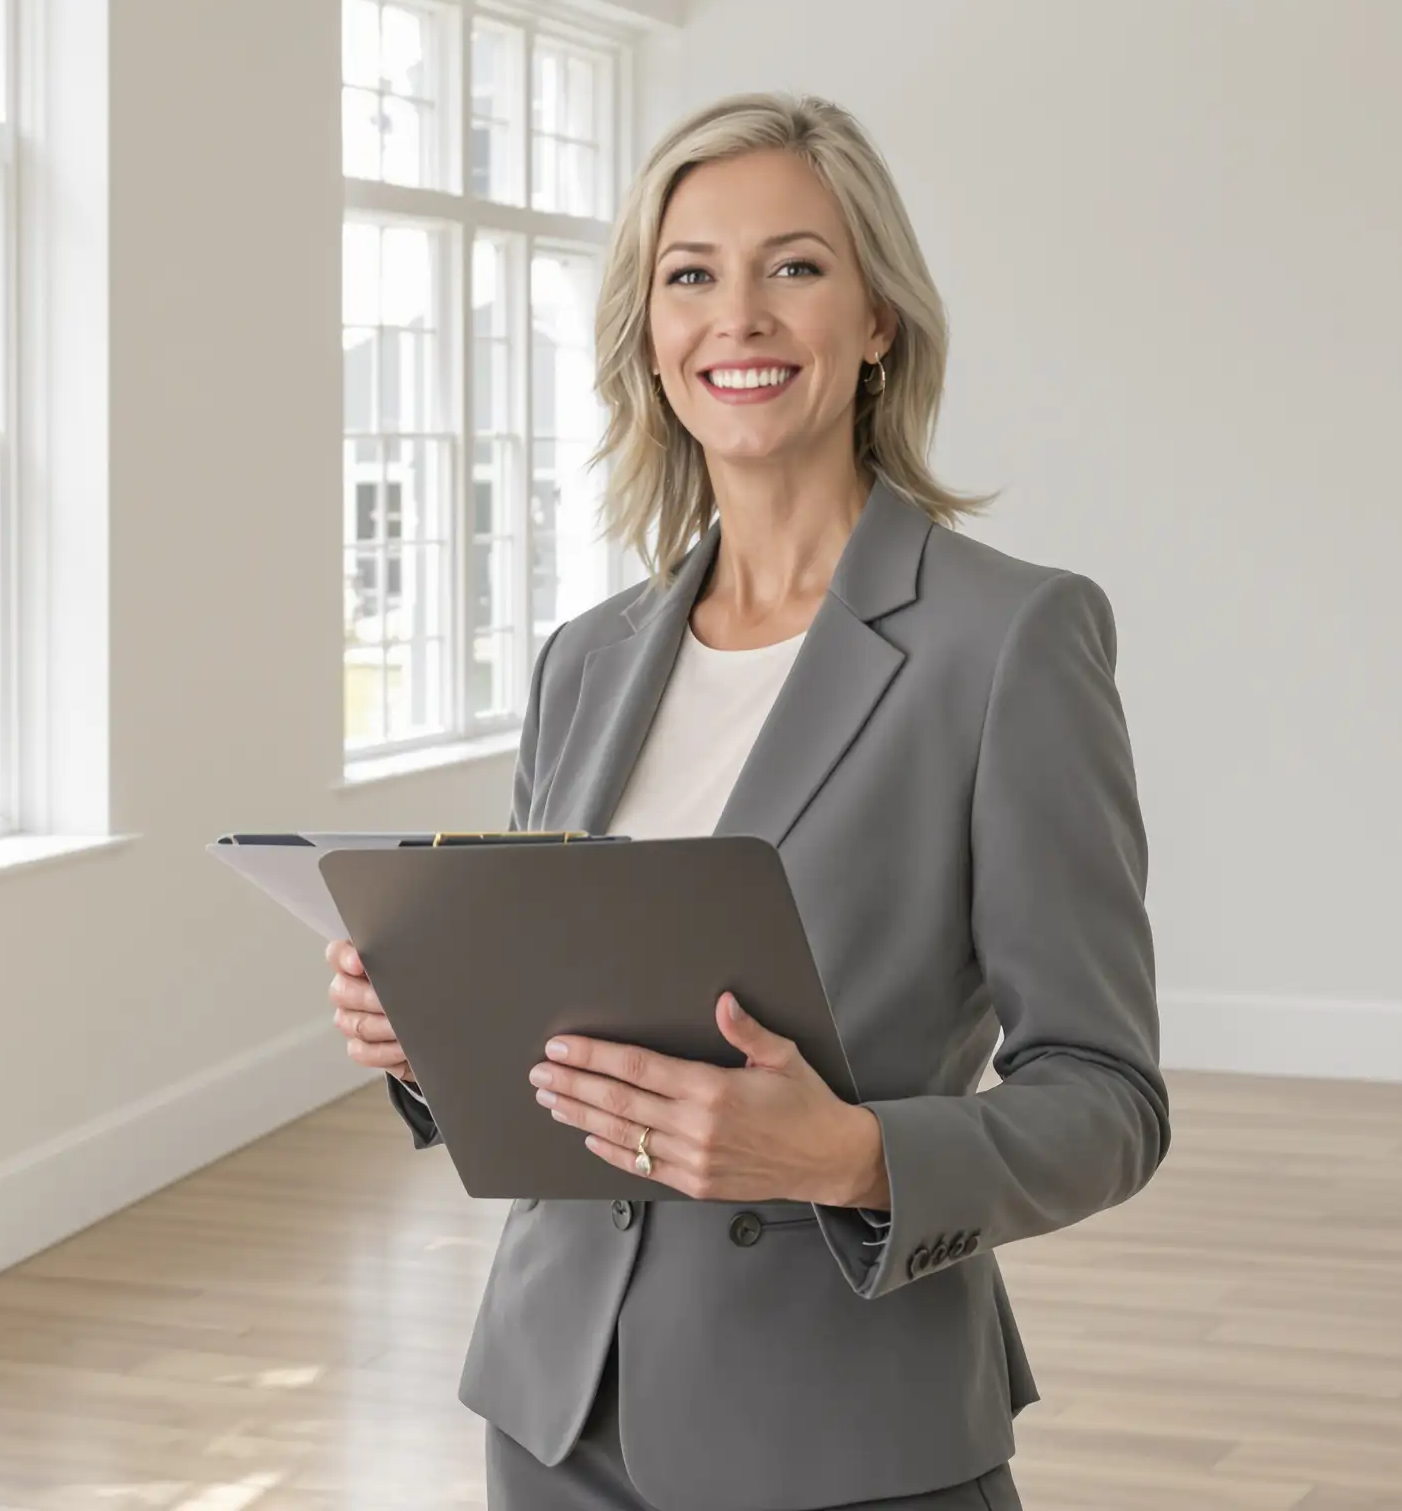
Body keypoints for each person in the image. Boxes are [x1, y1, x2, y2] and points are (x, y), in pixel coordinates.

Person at [327, 91, 1168, 1511]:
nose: (741, 318)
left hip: (838, 1429)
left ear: (879, 318)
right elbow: (561, 1040)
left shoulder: (1008, 641)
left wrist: (852, 1152)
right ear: (648, 334)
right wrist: (435, 1038)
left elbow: (1108, 1098)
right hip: (554, 1407)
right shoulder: (587, 659)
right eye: (691, 274)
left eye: (796, 265)